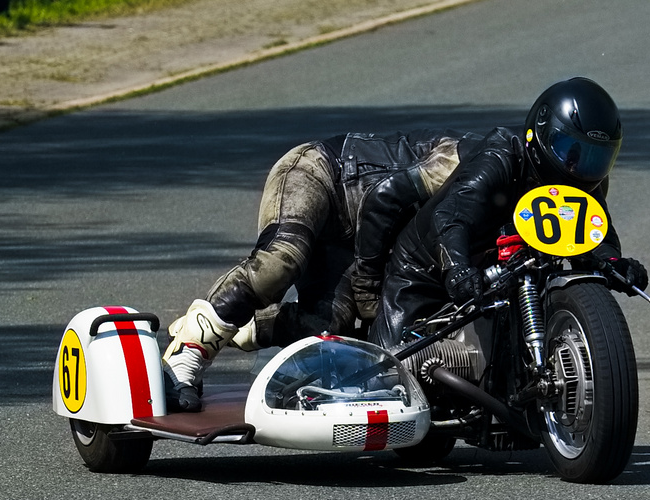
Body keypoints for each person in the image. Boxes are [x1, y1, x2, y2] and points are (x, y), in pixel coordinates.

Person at [162, 131, 479, 411]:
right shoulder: (462, 162)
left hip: (362, 244)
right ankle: (189, 351)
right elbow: (383, 201)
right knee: (279, 262)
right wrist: (367, 287)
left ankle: (242, 327)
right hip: (325, 173)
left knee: (327, 329)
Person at [369, 79, 648, 351]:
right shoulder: (501, 153)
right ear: (542, 132)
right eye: (569, 150)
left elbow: (597, 235)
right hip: (425, 271)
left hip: (510, 274)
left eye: (594, 158)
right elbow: (450, 216)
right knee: (391, 367)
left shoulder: (584, 181)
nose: (578, 166)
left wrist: (615, 265)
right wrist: (457, 268)